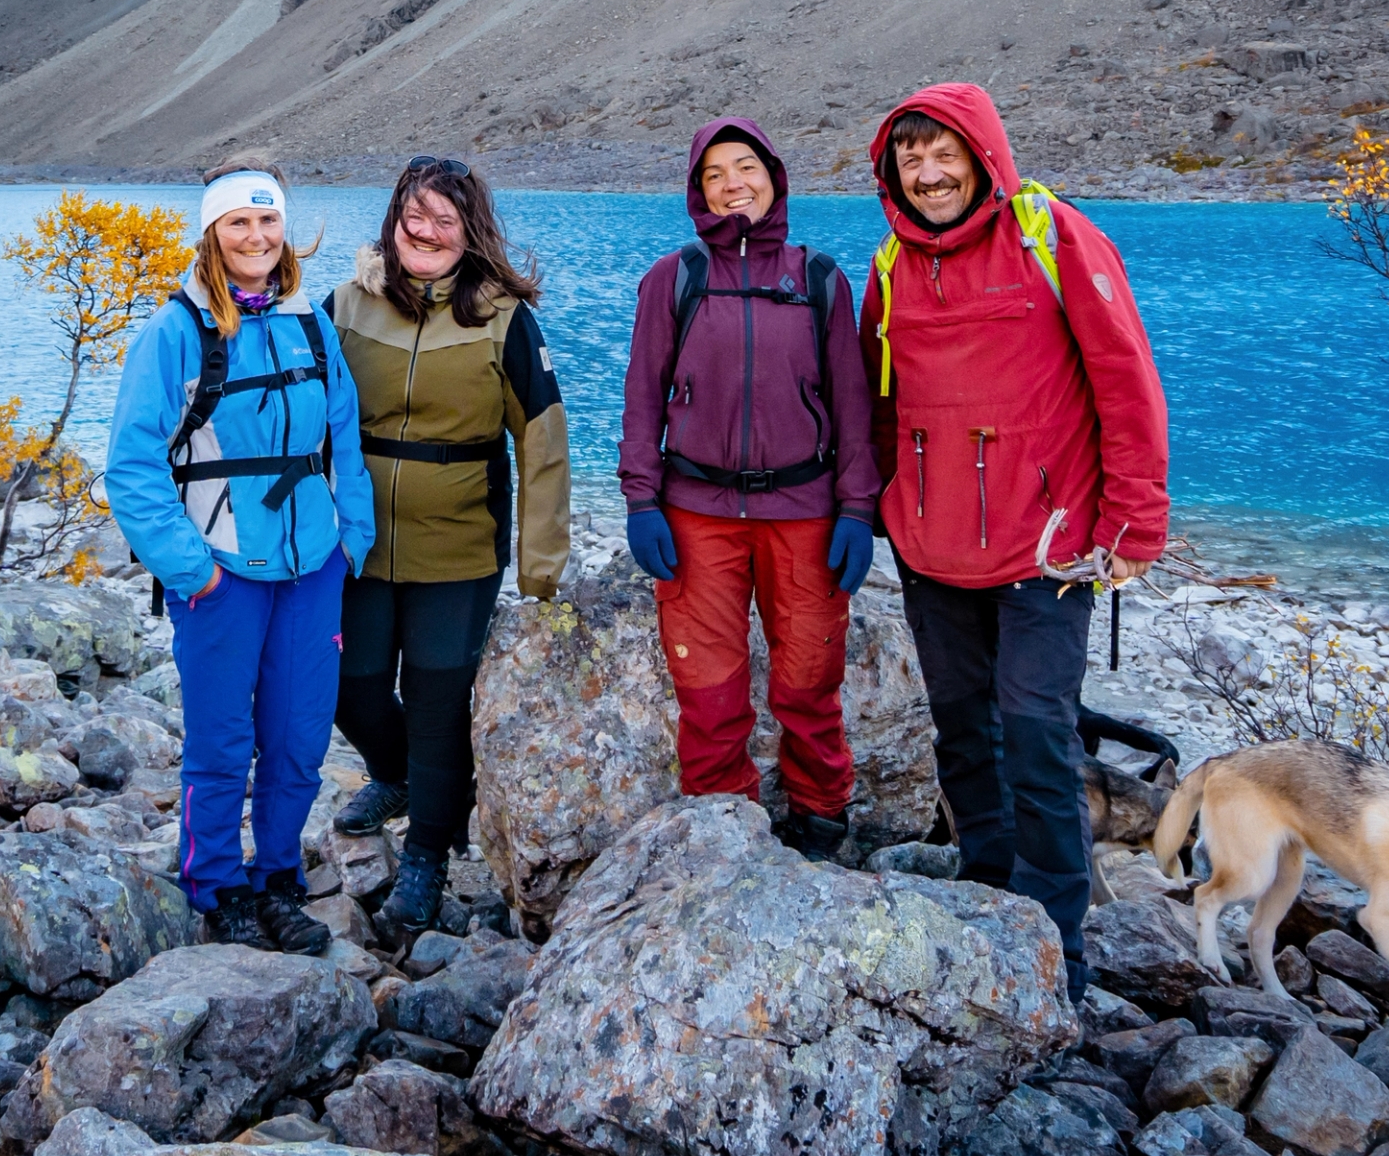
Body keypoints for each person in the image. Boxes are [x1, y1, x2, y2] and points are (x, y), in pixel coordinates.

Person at [859, 83, 1171, 998]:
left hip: (1050, 552)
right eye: (910, 159)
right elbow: (883, 408)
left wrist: (1134, 521)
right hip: (932, 551)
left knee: (1037, 732)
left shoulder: (1054, 239)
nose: (928, 174)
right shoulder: (890, 267)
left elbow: (1128, 383)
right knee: (963, 733)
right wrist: (883, 507)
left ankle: (1053, 945)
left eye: (943, 153)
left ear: (983, 154)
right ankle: (990, 892)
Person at [104, 158, 374, 955]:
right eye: (238, 223)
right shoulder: (174, 333)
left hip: (312, 569)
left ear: (283, 228)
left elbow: (344, 444)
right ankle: (217, 886)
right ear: (212, 233)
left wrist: (349, 544)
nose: (255, 236)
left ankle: (279, 877)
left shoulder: (312, 325)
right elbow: (130, 466)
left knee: (298, 738)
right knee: (222, 741)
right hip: (222, 574)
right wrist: (197, 574)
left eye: (267, 220)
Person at [616, 118, 882, 862]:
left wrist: (857, 510)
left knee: (808, 678)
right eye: (714, 174)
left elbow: (854, 407)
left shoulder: (820, 278)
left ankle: (821, 819)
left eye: (746, 167)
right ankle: (721, 822)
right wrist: (642, 500)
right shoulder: (674, 279)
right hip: (697, 511)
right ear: (697, 191)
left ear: (774, 175)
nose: (734, 183)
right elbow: (642, 398)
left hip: (803, 512)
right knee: (709, 688)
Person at [327, 155, 571, 936]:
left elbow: (543, 445)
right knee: (349, 683)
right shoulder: (345, 303)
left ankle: (431, 849)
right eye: (414, 216)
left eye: (445, 220)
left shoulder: (502, 318)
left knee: (438, 700)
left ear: (471, 232)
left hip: (461, 540)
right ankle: (398, 775)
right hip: (356, 541)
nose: (426, 232)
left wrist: (540, 571)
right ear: (394, 218)